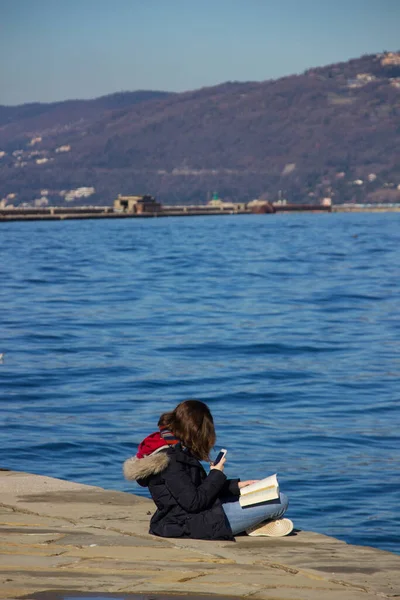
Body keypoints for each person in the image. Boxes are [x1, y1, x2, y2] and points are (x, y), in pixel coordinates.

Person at [123, 399, 293, 540]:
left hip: (196, 517)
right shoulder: (170, 460)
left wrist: (237, 487)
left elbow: (197, 489)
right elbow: (194, 502)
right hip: (190, 525)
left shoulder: (175, 449)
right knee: (280, 501)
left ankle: (254, 525)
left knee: (266, 494)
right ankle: (255, 524)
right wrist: (216, 474)